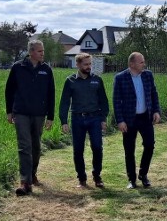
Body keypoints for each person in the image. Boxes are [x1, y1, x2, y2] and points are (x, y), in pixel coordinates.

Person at [5, 39, 55, 196]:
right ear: (31, 52)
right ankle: (25, 182)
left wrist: (50, 116)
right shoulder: (18, 67)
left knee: (35, 147)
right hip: (21, 113)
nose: (42, 54)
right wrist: (9, 111)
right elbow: (9, 90)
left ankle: (32, 174)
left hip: (39, 114)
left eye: (43, 51)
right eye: (40, 51)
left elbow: (51, 93)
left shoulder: (46, 70)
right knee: (24, 146)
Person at [59, 53, 109, 189]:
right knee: (78, 150)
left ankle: (97, 176)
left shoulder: (97, 80)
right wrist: (64, 121)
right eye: (86, 64)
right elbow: (64, 102)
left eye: (90, 64)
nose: (89, 67)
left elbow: (103, 101)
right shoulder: (70, 81)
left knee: (97, 147)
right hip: (77, 119)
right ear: (78, 64)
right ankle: (81, 179)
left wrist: (103, 119)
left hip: (95, 118)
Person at [113, 51, 160, 189]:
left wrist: (156, 111)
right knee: (129, 150)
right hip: (128, 119)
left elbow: (154, 94)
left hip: (145, 117)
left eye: (143, 61)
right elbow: (116, 101)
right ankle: (132, 180)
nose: (144, 64)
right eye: (141, 62)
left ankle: (143, 175)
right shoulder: (120, 78)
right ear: (131, 64)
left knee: (150, 145)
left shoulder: (148, 75)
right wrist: (120, 120)